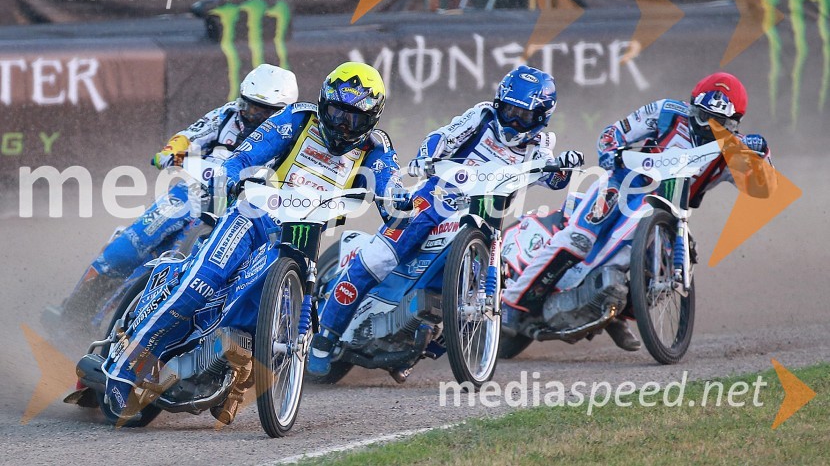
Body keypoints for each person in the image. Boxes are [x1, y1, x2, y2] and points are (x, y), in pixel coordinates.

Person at [103, 62, 401, 420]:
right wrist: (229, 174)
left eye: (354, 119)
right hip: (253, 216)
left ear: (371, 120)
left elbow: (389, 186)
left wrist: (399, 204)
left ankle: (224, 369)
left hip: (302, 233)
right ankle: (124, 369)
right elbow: (247, 155)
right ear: (323, 103)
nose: (342, 125)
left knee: (252, 310)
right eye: (337, 113)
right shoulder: (297, 117)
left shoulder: (377, 146)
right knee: (199, 286)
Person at [308, 65, 585, 377]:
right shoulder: (482, 116)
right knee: (379, 257)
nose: (513, 121)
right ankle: (325, 336)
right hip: (438, 196)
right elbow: (445, 136)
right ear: (498, 103)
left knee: (493, 268)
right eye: (508, 111)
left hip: (486, 213)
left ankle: (429, 333)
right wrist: (428, 157)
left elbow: (549, 174)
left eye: (523, 116)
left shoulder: (540, 144)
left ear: (541, 116)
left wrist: (563, 168)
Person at [501, 72, 775, 351]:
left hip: (666, 213)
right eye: (703, 116)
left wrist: (761, 156)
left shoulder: (734, 150)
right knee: (579, 239)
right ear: (692, 106)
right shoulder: (667, 112)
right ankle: (513, 302)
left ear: (733, 123)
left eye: (718, 123)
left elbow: (763, 189)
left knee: (664, 261)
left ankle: (613, 313)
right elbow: (614, 132)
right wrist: (611, 151)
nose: (708, 127)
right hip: (623, 185)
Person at [42, 64, 299, 333]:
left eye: (261, 110)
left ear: (281, 112)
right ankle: (72, 311)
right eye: (249, 105)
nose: (251, 114)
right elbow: (191, 135)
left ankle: (126, 327)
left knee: (171, 268)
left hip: (240, 214)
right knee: (127, 249)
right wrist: (172, 150)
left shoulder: (292, 136)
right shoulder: (228, 116)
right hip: (194, 193)